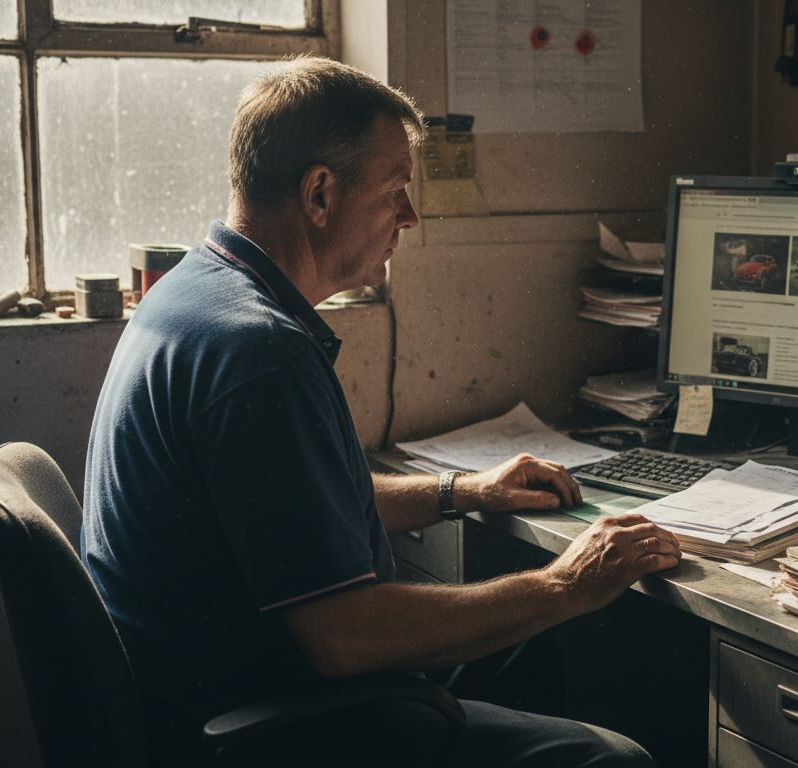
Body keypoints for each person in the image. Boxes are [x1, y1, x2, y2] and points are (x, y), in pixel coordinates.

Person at [81, 57, 681, 766]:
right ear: (320, 194)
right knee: (614, 757)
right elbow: (345, 636)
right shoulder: (260, 354)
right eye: (396, 189)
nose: (409, 215)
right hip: (266, 724)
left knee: (534, 655)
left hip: (211, 685)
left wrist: (461, 491)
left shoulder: (194, 294)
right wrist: (565, 582)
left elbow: (290, 507)